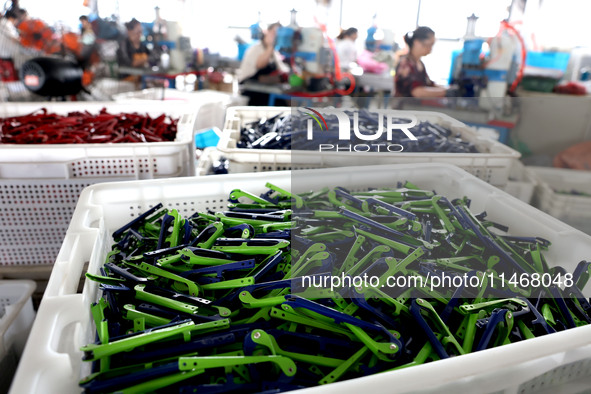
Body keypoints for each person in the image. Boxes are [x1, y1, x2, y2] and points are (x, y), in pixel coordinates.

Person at [237, 22, 289, 105]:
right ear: (266, 31)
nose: (276, 36)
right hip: (251, 90)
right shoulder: (255, 49)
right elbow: (260, 65)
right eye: (274, 33)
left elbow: (282, 70)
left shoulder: (274, 52)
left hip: (265, 89)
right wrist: (271, 46)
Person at [394, 26, 446, 97]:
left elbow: (428, 84)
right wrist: (444, 92)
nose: (430, 49)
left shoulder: (419, 63)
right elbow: (416, 92)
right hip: (404, 106)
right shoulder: (405, 64)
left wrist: (447, 89)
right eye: (428, 45)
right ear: (416, 42)